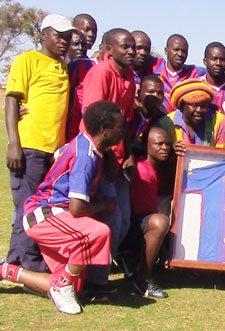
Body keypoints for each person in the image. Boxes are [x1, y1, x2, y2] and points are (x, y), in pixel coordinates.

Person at [0, 101, 124, 314]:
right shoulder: (86, 157)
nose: (123, 131)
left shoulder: (86, 145)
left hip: (55, 214)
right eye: (119, 126)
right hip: (44, 214)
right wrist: (105, 204)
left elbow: (60, 155)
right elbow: (76, 208)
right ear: (105, 130)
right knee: (98, 232)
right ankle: (61, 286)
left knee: (71, 285)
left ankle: (5, 270)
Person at [5, 14, 76, 273]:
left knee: (39, 208)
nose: (64, 41)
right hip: (30, 148)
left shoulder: (63, 66)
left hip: (53, 152)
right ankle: (31, 267)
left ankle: (13, 266)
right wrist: (14, 143)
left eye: (68, 37)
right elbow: (13, 99)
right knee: (27, 209)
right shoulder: (27, 60)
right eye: (59, 35)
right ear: (43, 35)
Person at [80, 28, 137, 289]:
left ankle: (98, 275)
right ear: (109, 49)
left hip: (119, 158)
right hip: (100, 158)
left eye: (133, 47)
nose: (131, 51)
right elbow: (91, 119)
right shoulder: (101, 73)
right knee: (110, 217)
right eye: (125, 46)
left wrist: (126, 155)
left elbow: (124, 122)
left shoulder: (131, 77)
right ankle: (95, 281)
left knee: (123, 219)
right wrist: (109, 158)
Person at [128, 126, 174, 298]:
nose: (165, 148)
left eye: (168, 144)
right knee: (160, 221)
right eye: (159, 144)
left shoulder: (156, 170)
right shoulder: (138, 167)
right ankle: (143, 279)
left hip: (142, 223)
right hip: (131, 226)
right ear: (146, 145)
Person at [168, 79, 225, 154]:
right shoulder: (168, 122)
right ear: (181, 106)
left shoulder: (219, 120)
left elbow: (222, 156)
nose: (199, 110)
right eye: (194, 105)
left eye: (203, 105)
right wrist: (171, 152)